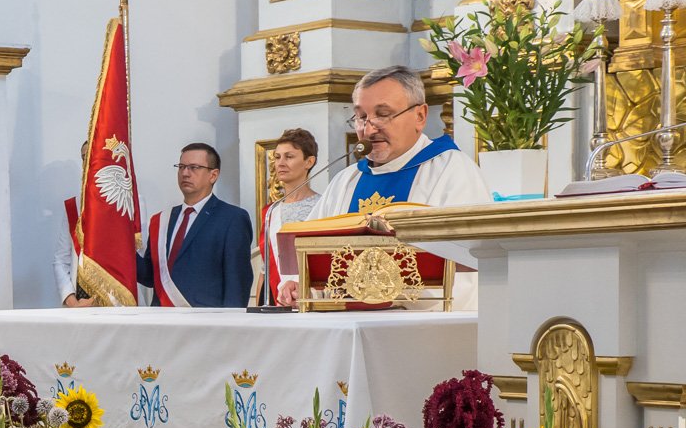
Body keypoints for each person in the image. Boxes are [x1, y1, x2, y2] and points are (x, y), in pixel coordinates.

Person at [276, 66, 492, 308]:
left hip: (419, 324)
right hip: (348, 322)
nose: (368, 129)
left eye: (383, 114)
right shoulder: (346, 180)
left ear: (420, 116)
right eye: (361, 117)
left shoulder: (451, 171)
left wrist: (388, 295)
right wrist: (299, 286)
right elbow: (310, 256)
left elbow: (470, 269)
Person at [136, 142, 253, 308]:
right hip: (162, 318)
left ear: (213, 175)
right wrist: (119, 244)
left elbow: (237, 284)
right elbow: (149, 276)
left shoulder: (232, 218)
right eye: (181, 167)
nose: (185, 173)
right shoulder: (160, 220)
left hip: (206, 320)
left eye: (194, 167)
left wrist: (231, 322)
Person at [256, 129, 319, 307]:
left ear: (309, 161)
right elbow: (265, 269)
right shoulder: (270, 211)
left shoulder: (323, 206)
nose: (281, 163)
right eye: (277, 157)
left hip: (311, 300)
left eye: (289, 157)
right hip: (277, 301)